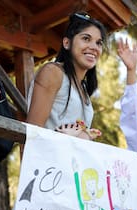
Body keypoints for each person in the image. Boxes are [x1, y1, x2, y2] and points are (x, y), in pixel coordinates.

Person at [26, 12, 105, 140]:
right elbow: (32, 132)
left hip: (72, 159)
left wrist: (85, 135)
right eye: (86, 39)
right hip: (48, 158)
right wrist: (74, 136)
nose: (93, 47)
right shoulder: (53, 72)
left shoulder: (83, 87)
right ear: (67, 43)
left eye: (99, 43)